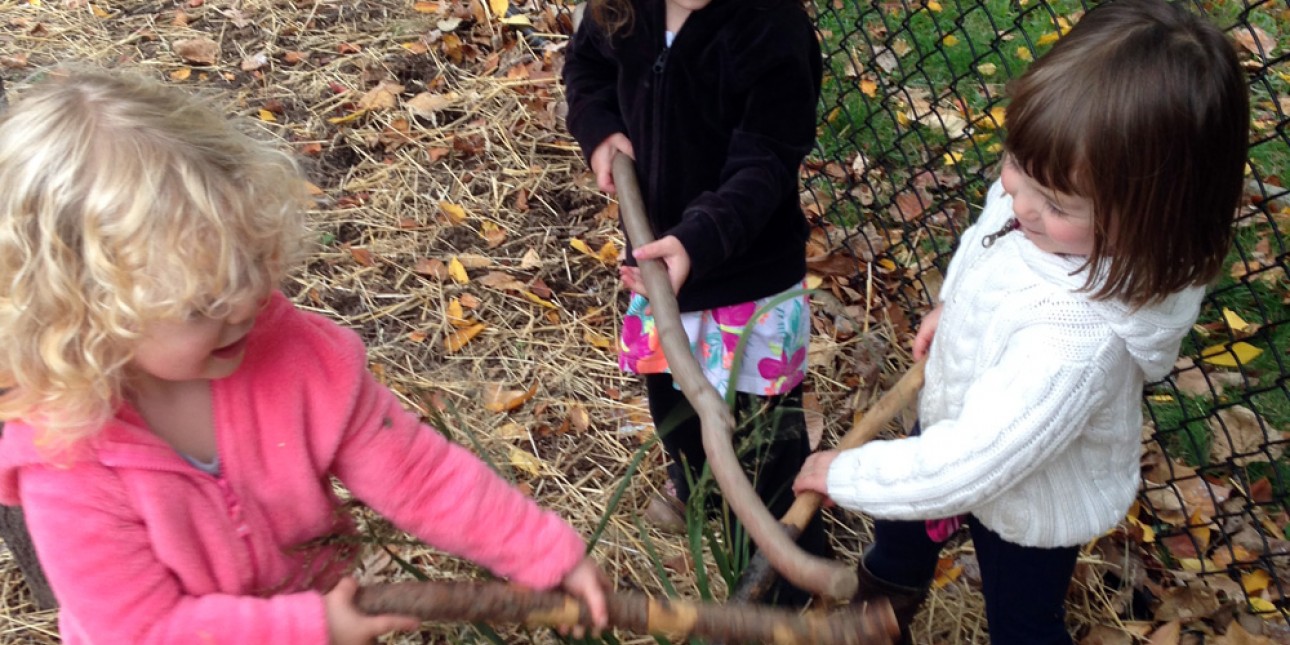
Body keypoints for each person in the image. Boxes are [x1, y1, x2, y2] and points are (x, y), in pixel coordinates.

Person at [0, 70, 608, 644]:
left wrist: (539, 550)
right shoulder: (67, 462)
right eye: (200, 302)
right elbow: (141, 631)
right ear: (87, 317)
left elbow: (415, 471)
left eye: (250, 263)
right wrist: (309, 629)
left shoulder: (293, 358)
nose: (243, 304)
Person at [793, 0, 1249, 642]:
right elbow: (991, 233)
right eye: (1017, 164)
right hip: (963, 414)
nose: (1017, 200)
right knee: (909, 517)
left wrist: (847, 475)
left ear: (1150, 219)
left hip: (1027, 494)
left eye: (1054, 201)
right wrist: (956, 305)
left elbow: (967, 465)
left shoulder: (1075, 343)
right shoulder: (1053, 198)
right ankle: (892, 587)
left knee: (1022, 615)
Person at [563, 0, 825, 603]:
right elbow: (587, 71)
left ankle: (788, 576)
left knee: (767, 446)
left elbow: (766, 162)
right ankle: (698, 482)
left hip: (746, 283)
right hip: (658, 266)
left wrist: (697, 239)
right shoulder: (622, 8)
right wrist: (599, 129)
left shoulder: (772, 30)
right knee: (672, 401)